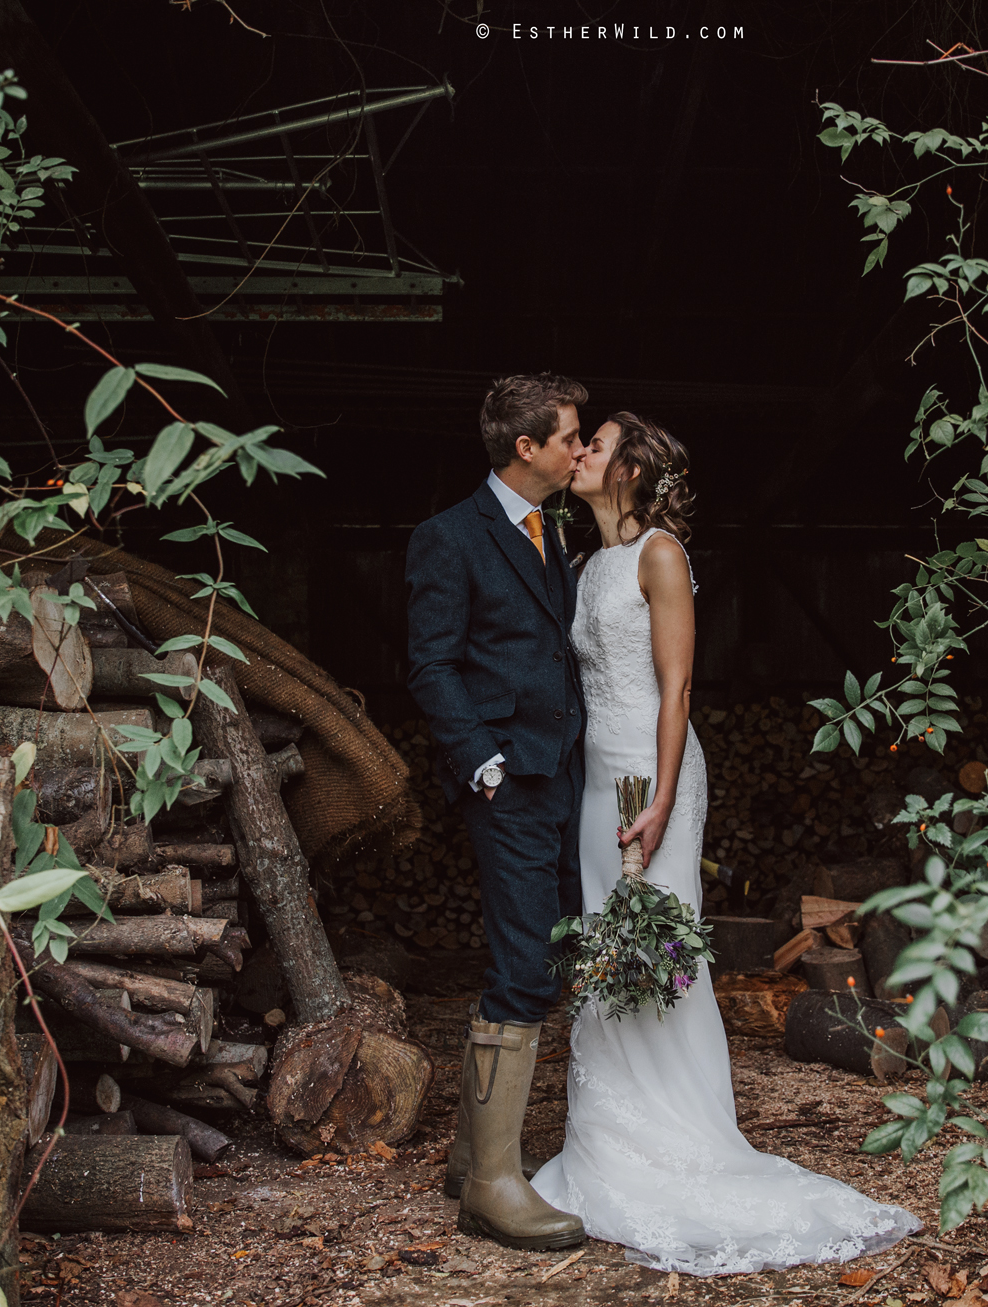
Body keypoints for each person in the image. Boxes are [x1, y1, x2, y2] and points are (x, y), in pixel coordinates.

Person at [528, 412, 922, 1275]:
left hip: (652, 771)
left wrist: (664, 797)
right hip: (599, 780)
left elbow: (678, 688)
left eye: (597, 442)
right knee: (607, 943)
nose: (582, 451)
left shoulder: (661, 554)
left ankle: (682, 1140)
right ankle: (605, 1145)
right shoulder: (588, 564)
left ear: (632, 468)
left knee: (660, 948)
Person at [404, 373, 590, 1252]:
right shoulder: (450, 536)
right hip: (509, 781)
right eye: (569, 435)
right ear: (526, 448)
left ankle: (464, 1156)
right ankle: (491, 1186)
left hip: (561, 778)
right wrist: (484, 766)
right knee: (523, 970)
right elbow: (431, 665)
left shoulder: (554, 528)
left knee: (549, 955)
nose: (579, 447)